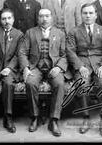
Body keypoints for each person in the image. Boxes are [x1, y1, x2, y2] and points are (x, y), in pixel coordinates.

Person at [66, 3, 102, 138]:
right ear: (81, 15)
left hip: (99, 65)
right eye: (85, 13)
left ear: (96, 15)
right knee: (82, 85)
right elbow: (70, 51)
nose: (88, 16)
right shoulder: (74, 31)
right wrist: (80, 66)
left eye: (91, 13)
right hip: (83, 64)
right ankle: (86, 118)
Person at [18, 8, 67, 137]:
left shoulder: (60, 33)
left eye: (47, 16)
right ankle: (35, 117)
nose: (44, 19)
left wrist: (59, 68)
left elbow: (64, 54)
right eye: (41, 16)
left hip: (54, 67)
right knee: (30, 82)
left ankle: (54, 120)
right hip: (36, 66)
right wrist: (26, 68)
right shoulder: (30, 32)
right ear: (37, 18)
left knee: (60, 84)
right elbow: (22, 52)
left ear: (51, 17)